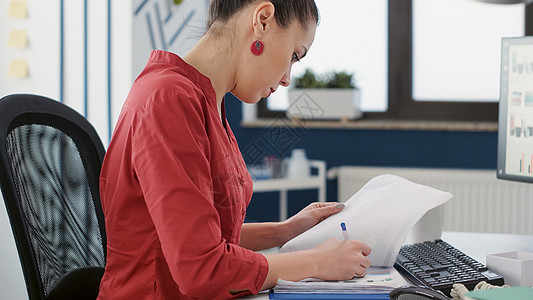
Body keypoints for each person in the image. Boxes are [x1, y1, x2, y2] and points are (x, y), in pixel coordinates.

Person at [96, 0, 371, 299]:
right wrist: (316, 262)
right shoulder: (168, 100)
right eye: (294, 55)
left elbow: (203, 236)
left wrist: (286, 230)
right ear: (262, 20)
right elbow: (201, 269)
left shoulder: (204, 100)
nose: (286, 78)